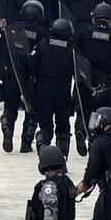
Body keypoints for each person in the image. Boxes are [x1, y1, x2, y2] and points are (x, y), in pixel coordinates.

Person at [73, 3, 111, 150]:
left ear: (94, 18)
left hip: (84, 75)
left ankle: (80, 129)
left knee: (81, 105)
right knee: (97, 108)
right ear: (110, 19)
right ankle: (92, 138)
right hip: (103, 77)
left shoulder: (84, 31)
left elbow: (74, 50)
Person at [1, 0, 47, 154]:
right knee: (31, 109)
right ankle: (26, 143)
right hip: (31, 77)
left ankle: (7, 127)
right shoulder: (42, 33)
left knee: (10, 106)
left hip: (12, 73)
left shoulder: (12, 29)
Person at [29, 18, 77, 156]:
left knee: (45, 126)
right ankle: (61, 158)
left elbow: (30, 65)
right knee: (63, 127)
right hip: (63, 92)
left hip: (43, 91)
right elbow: (79, 73)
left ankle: (42, 146)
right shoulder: (71, 49)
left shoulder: (42, 44)